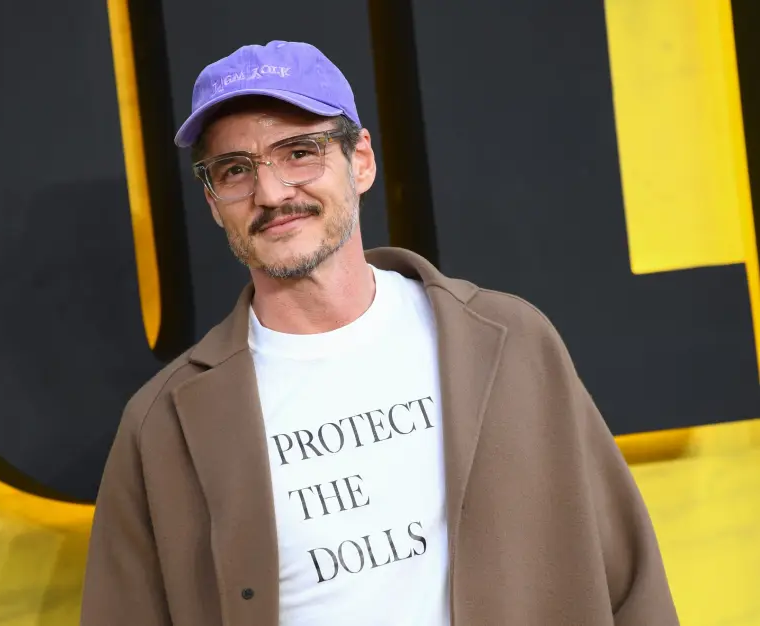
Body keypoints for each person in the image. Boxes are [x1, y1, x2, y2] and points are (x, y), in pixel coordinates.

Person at [80, 40, 679, 625]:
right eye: (235, 170)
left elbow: (629, 579)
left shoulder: (507, 340)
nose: (271, 192)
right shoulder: (163, 424)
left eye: (299, 152)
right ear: (214, 202)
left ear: (361, 160)